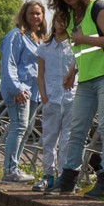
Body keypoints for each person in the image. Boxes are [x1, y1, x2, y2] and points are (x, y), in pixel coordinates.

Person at [47, 0, 104, 199]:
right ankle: (68, 179)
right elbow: (83, 49)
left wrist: (82, 38)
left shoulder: (98, 7)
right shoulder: (72, 16)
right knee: (77, 129)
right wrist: (73, 70)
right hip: (87, 77)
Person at [0, 0, 46, 183]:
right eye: (31, 13)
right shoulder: (16, 35)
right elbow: (8, 62)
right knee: (19, 126)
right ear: (24, 16)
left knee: (26, 129)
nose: (35, 16)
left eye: (38, 13)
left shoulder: (39, 38)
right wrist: (16, 87)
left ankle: (14, 168)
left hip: (34, 91)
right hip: (20, 89)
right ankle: (10, 170)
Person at [33, 12, 77, 194]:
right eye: (59, 20)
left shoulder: (75, 46)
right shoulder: (45, 47)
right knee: (49, 138)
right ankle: (47, 175)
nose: (61, 24)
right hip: (51, 97)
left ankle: (63, 176)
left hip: (70, 97)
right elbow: (40, 74)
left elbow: (80, 66)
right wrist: (43, 96)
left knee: (67, 138)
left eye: (65, 21)